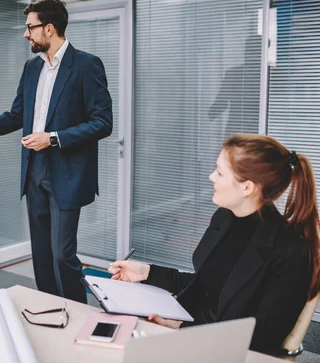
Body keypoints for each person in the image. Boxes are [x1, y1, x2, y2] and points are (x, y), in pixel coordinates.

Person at [0, 0, 113, 303]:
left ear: (49, 28)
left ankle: (77, 313)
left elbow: (102, 123)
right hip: (34, 172)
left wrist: (54, 138)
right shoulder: (32, 68)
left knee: (62, 256)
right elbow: (16, 116)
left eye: (30, 27)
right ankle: (49, 308)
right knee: (42, 258)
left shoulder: (86, 65)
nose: (25, 34)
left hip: (67, 175)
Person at [108, 134, 320, 356]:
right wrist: (147, 273)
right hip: (190, 329)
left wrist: (182, 329)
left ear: (247, 187)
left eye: (219, 172)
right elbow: (208, 284)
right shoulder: (225, 218)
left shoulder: (290, 252)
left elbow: (260, 340)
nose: (211, 177)